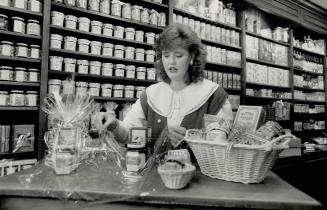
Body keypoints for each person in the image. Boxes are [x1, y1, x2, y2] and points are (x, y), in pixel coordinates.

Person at [96, 23, 233, 149]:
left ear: (191, 57)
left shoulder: (214, 95)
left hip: (200, 175)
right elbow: (128, 135)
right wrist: (113, 124)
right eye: (166, 55)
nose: (171, 62)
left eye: (179, 55)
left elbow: (223, 147)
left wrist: (193, 140)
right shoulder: (151, 94)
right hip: (155, 174)